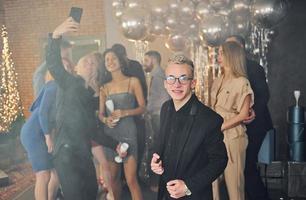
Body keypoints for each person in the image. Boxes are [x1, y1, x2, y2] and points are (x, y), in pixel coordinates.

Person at [46, 17, 124, 200]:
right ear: (77, 67)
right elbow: (53, 64)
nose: (90, 64)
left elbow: (92, 129)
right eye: (86, 61)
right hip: (66, 152)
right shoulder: (69, 82)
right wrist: (55, 36)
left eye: (93, 63)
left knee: (90, 192)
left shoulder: (90, 96)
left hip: (82, 153)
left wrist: (115, 144)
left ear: (97, 71)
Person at [151, 53, 228, 200]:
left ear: (193, 83)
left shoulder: (210, 119)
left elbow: (219, 161)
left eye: (183, 78)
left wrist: (188, 187)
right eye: (171, 78)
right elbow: (161, 141)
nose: (177, 84)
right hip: (165, 193)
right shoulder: (165, 108)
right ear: (165, 83)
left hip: (194, 195)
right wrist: (156, 159)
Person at [226, 35, 273, 200]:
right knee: (235, 168)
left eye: (233, 45)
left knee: (246, 167)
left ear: (242, 48)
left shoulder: (254, 67)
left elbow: (264, 95)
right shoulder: (227, 70)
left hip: (255, 124)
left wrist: (252, 112)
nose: (229, 48)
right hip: (235, 126)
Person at [99, 48, 145, 200]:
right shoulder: (104, 87)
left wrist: (124, 112)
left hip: (128, 133)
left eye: (113, 58)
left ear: (120, 61)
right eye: (107, 60)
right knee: (113, 179)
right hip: (111, 135)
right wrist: (106, 120)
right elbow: (101, 114)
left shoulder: (133, 81)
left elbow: (143, 107)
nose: (110, 62)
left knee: (131, 179)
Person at [210, 41, 254, 200]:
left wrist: (218, 127)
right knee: (212, 182)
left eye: (222, 52)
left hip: (233, 137)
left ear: (232, 55)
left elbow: (243, 115)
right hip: (215, 137)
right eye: (219, 52)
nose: (218, 56)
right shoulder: (217, 80)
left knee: (234, 185)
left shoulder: (242, 81)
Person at [20, 80, 59, 200]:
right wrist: (48, 136)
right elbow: (42, 113)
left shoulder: (65, 87)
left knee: (57, 173)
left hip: (44, 133)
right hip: (34, 133)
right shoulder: (53, 85)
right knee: (43, 174)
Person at [112, 43, 147, 169]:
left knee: (128, 141)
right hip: (132, 109)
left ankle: (127, 174)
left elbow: (142, 86)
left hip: (127, 109)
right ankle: (131, 173)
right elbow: (144, 88)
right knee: (135, 141)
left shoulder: (132, 66)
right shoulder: (134, 65)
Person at [143, 50, 169, 191]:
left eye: (146, 60)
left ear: (153, 59)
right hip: (157, 115)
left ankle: (156, 182)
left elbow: (162, 98)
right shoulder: (158, 75)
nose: (144, 63)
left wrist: (147, 109)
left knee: (157, 148)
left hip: (159, 115)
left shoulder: (158, 76)